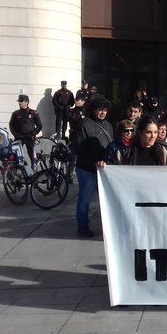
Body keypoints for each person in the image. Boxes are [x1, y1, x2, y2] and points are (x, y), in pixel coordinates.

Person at [73, 97, 114, 237]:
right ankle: (82, 227)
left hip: (104, 170)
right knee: (84, 199)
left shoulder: (108, 125)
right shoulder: (84, 124)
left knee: (106, 201)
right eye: (100, 109)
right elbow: (79, 147)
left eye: (105, 110)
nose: (102, 112)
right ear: (93, 110)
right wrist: (94, 161)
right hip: (86, 169)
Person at [9, 94, 42, 169]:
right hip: (19, 137)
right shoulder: (15, 113)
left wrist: (34, 133)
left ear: (26, 102)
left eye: (21, 101)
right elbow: (11, 126)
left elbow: (39, 125)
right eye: (19, 101)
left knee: (32, 155)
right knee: (16, 155)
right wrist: (15, 135)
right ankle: (18, 171)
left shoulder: (33, 113)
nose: (20, 103)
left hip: (30, 137)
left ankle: (33, 170)